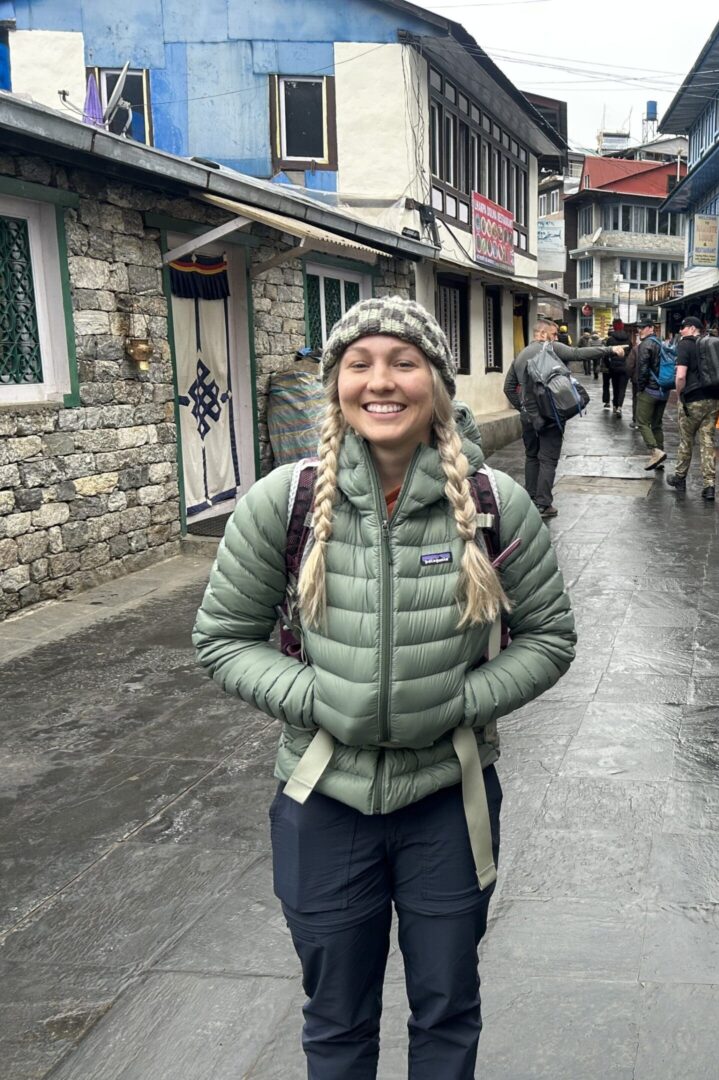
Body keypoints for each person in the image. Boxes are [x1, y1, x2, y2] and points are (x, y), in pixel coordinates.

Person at [192, 296, 576, 1080]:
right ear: (337, 383)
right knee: (335, 1019)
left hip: (448, 800)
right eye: (359, 364)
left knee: (447, 1007)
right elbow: (222, 639)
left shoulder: (496, 506)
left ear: (436, 381)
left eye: (404, 362)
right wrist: (314, 699)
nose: (382, 381)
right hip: (322, 800)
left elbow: (551, 637)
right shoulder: (284, 503)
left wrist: (462, 703)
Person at [504, 318, 619, 519]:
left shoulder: (521, 355)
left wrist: (523, 407)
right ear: (542, 334)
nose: (557, 338)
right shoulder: (550, 348)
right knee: (548, 459)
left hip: (528, 417)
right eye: (554, 334)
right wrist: (610, 350)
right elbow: (577, 354)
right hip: (550, 414)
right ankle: (543, 504)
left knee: (532, 456)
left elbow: (508, 388)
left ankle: (531, 499)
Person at [665, 315, 719, 501]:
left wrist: (680, 394)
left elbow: (681, 376)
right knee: (708, 442)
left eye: (682, 327)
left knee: (686, 440)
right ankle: (709, 486)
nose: (680, 331)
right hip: (713, 399)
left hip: (693, 400)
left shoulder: (685, 344)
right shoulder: (711, 344)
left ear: (691, 328)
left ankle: (679, 478)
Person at [632, 318, 668, 471]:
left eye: (641, 328)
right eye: (638, 328)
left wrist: (640, 388)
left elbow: (643, 369)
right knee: (657, 425)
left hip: (650, 390)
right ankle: (659, 458)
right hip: (663, 390)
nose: (639, 331)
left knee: (642, 422)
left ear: (650, 328)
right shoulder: (661, 343)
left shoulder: (645, 345)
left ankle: (655, 451)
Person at [602, 318, 630, 413]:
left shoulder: (610, 340)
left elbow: (606, 354)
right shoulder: (628, 338)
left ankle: (614, 405)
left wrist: (609, 365)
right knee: (622, 388)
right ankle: (619, 407)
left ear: (614, 327)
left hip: (614, 367)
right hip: (625, 366)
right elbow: (631, 353)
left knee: (615, 387)